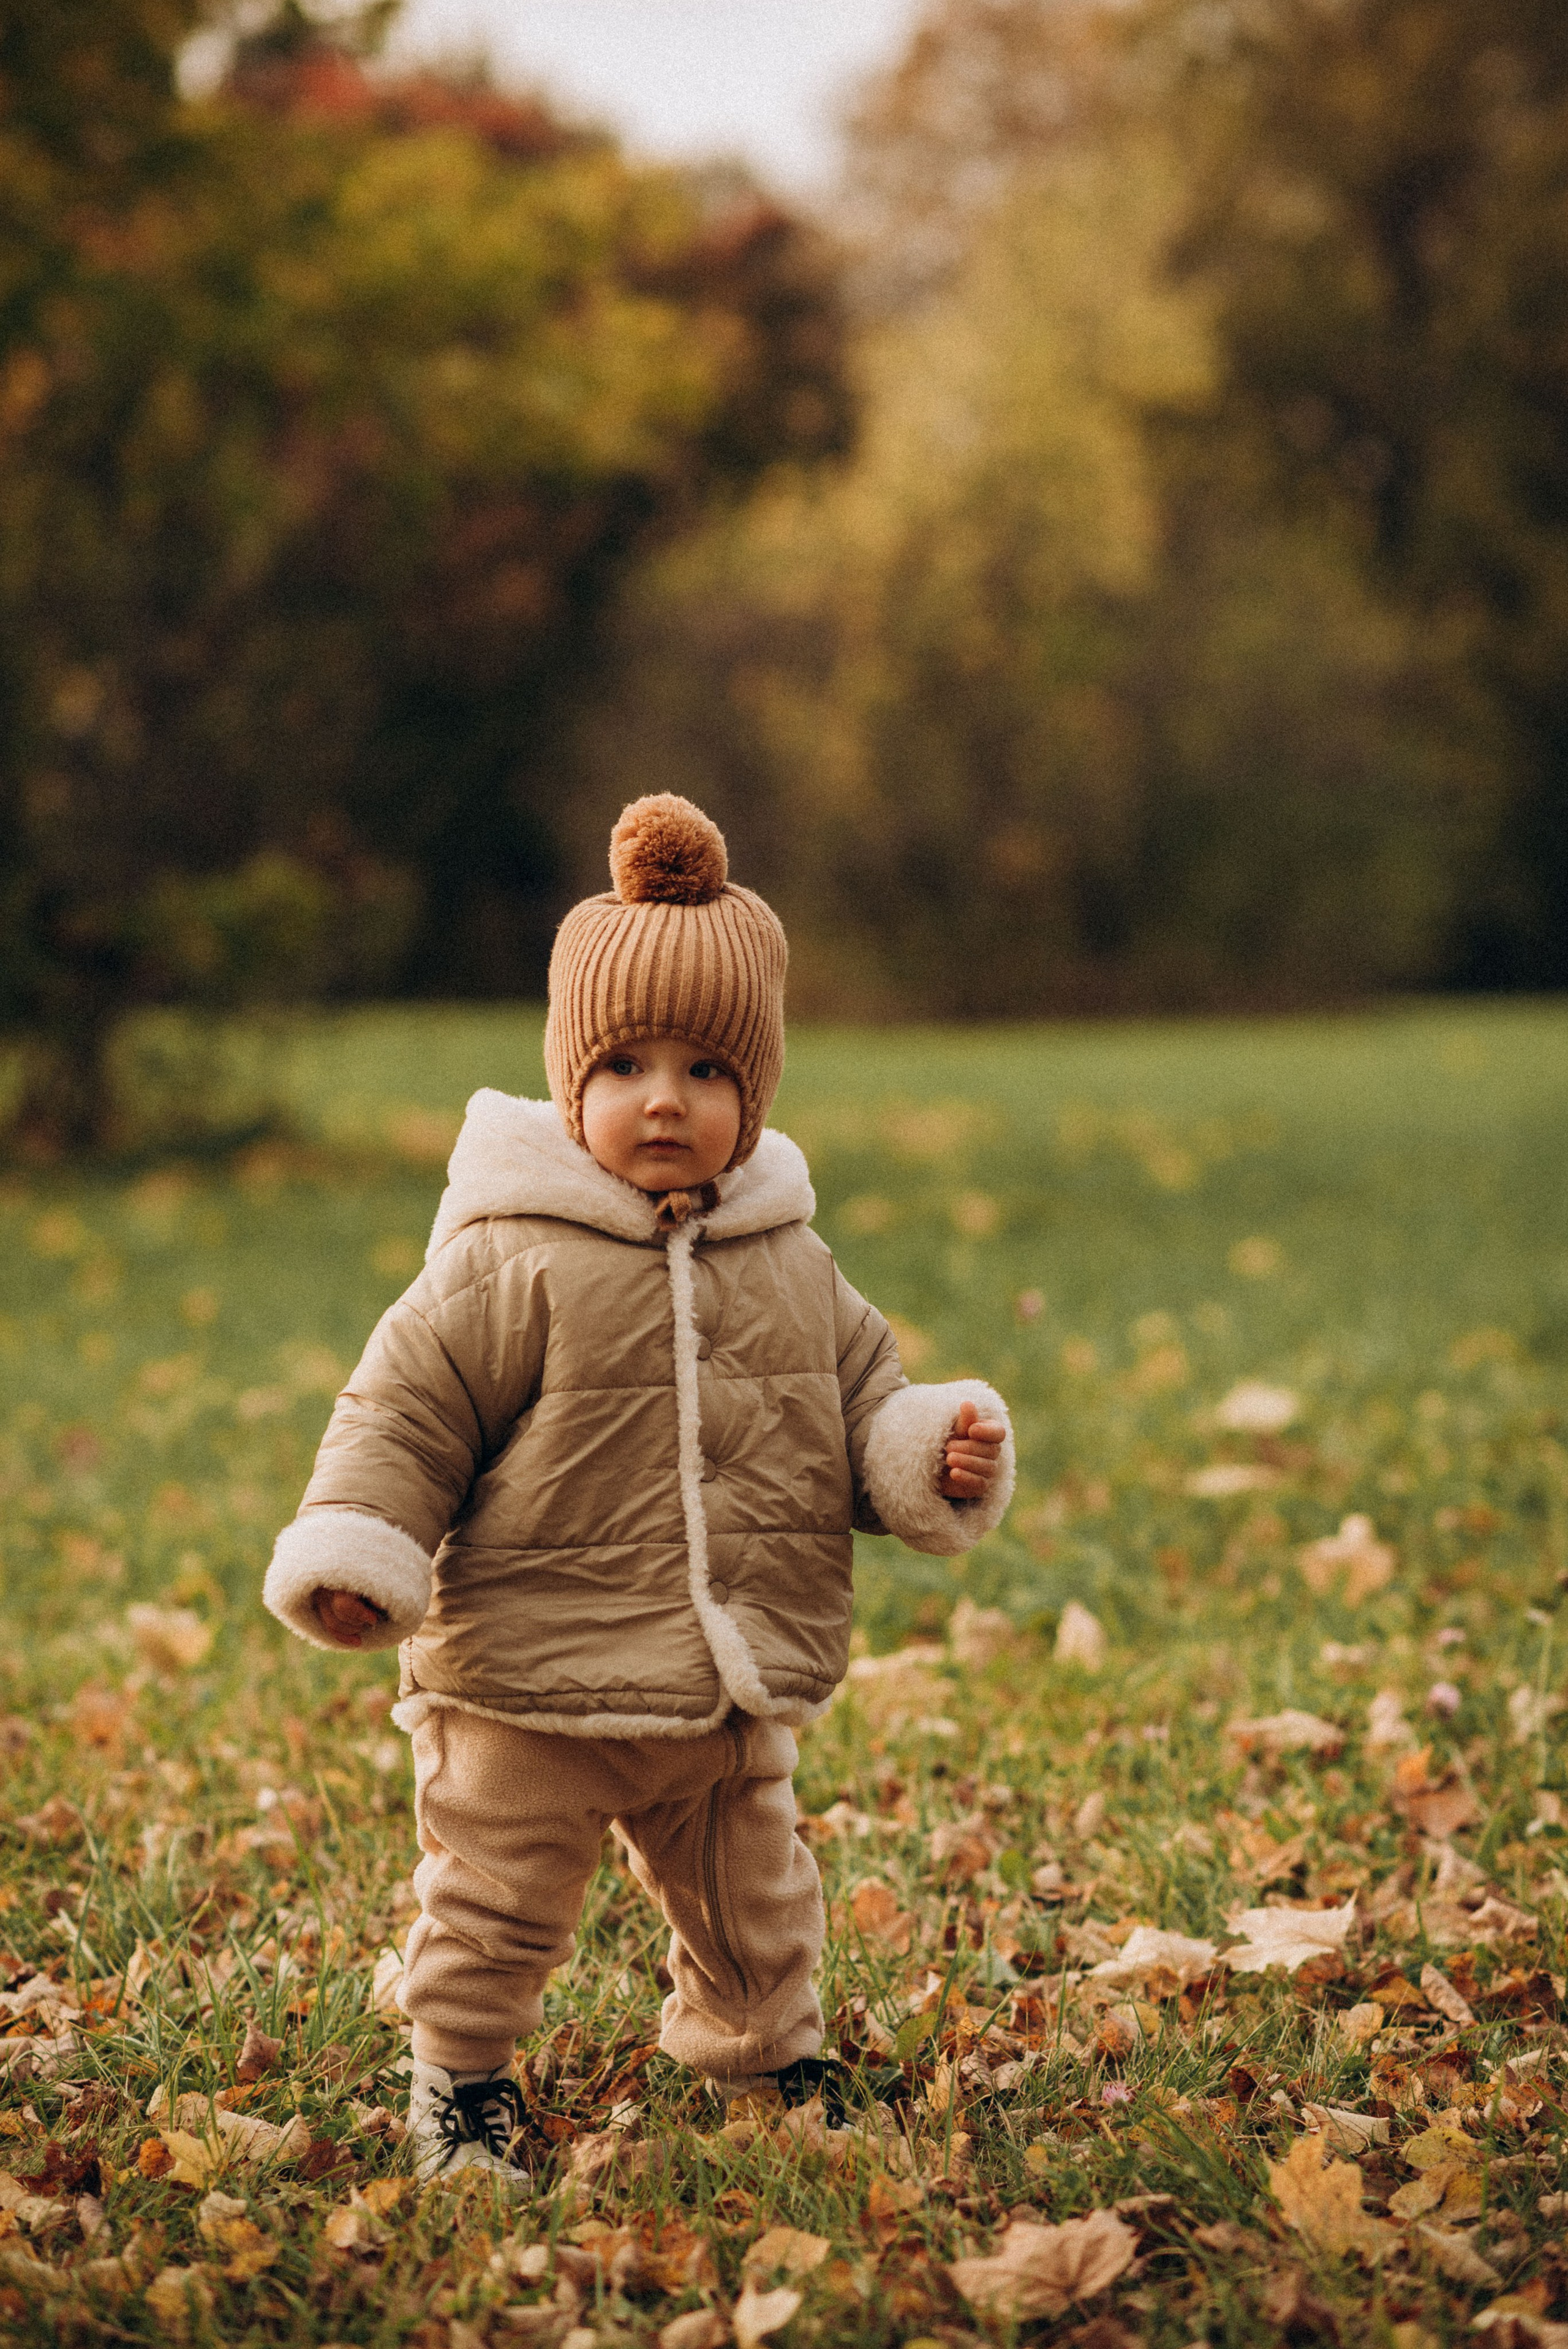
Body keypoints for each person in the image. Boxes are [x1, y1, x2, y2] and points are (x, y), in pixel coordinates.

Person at [263, 794, 1013, 2182]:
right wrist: (360, 1545)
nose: (662, 1095)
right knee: (494, 1898)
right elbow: (405, 1406)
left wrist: (925, 1447)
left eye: (704, 1069)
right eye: (621, 1063)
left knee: (754, 1895)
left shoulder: (792, 1261)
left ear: (755, 1094)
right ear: (569, 1086)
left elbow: (856, 1402)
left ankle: (765, 2055)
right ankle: (463, 2081)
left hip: (718, 1682)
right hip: (525, 1680)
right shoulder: (509, 1259)